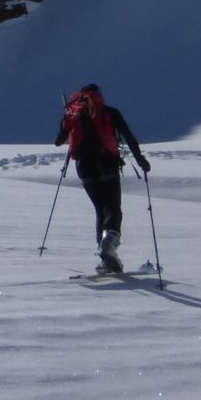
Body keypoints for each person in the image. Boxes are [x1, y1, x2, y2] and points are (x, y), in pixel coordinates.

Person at [55, 83, 149, 274]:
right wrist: (140, 160)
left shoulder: (74, 113)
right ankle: (109, 244)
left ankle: (105, 254)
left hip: (84, 166)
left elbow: (58, 141)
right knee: (113, 207)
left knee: (100, 209)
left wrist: (70, 125)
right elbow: (129, 137)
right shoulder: (110, 112)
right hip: (107, 163)